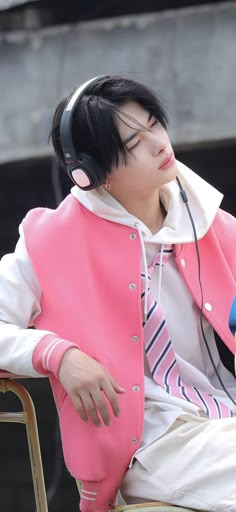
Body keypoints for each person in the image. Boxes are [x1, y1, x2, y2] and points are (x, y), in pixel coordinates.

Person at [0, 74, 236, 512]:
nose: (158, 143)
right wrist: (58, 354)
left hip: (220, 420)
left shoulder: (207, 222)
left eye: (154, 123)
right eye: (133, 142)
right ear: (91, 174)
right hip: (147, 447)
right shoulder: (51, 240)